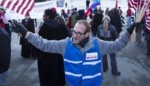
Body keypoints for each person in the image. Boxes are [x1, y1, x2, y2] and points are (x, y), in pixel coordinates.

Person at [12, 19, 141, 86]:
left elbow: (116, 45)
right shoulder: (65, 44)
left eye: (79, 33)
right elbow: (45, 44)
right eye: (74, 31)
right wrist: (27, 33)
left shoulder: (97, 44)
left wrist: (129, 30)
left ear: (87, 34)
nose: (74, 35)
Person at [33, 8, 71, 86]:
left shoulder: (44, 27)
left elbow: (41, 44)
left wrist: (36, 54)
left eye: (44, 15)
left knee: (48, 77)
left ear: (48, 17)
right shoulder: (62, 26)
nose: (43, 17)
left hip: (47, 57)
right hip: (59, 55)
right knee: (59, 75)